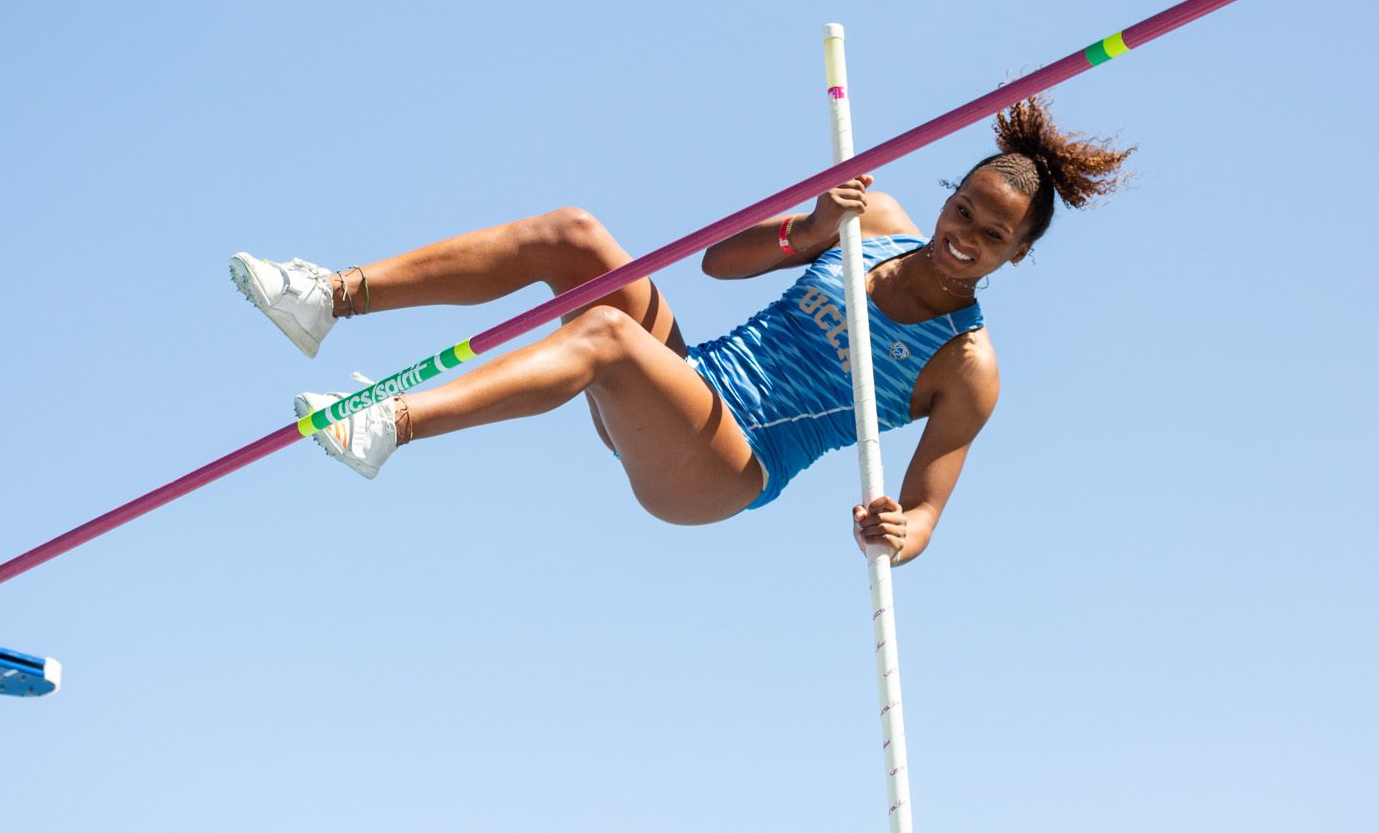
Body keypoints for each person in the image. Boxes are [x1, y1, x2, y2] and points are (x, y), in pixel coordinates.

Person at [229, 96, 1132, 565]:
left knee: (606, 339)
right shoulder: (874, 220)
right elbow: (719, 265)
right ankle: (329, 298)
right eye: (964, 209)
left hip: (724, 466)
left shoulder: (968, 365)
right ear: (951, 194)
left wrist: (901, 527)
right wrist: (810, 231)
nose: (963, 237)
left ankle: (389, 423)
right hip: (690, 378)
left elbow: (928, 508)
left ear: (1014, 257)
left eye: (991, 236)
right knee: (576, 237)